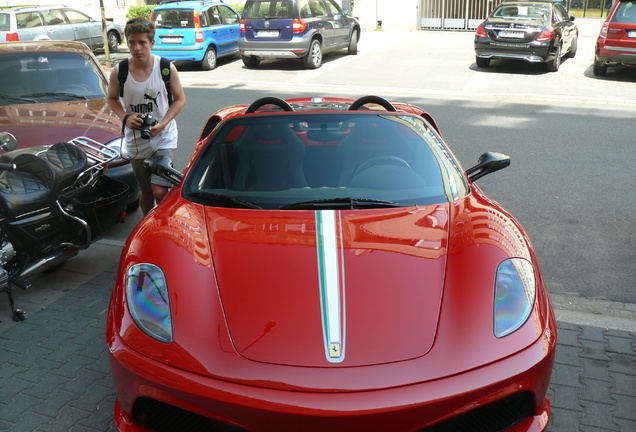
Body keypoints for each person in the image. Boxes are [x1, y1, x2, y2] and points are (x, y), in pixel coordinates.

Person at [107, 17, 186, 215]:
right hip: (136, 141)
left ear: (152, 42)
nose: (137, 48)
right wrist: (126, 118)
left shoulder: (165, 68)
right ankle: (146, 225)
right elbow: (111, 99)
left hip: (164, 137)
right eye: (132, 42)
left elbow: (179, 100)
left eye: (142, 42)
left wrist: (163, 124)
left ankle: (165, 224)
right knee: (147, 192)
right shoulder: (120, 71)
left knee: (160, 191)